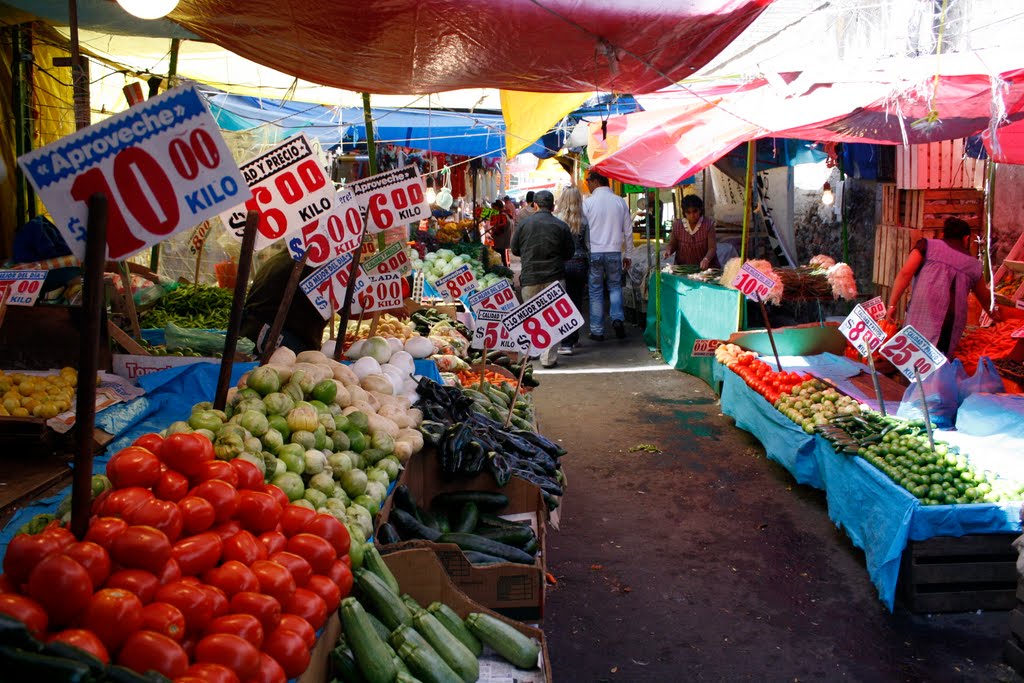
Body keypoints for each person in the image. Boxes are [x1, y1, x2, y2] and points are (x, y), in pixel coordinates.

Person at [886, 216, 1000, 358]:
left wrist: (892, 305)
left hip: (921, 315)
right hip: (950, 324)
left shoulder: (926, 246)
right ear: (966, 238)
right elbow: (985, 298)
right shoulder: (973, 266)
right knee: (939, 364)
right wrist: (998, 319)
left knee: (912, 359)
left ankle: (910, 379)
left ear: (943, 234)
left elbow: (905, 274)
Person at [510, 190, 575, 368]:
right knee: (552, 318)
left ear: (535, 205)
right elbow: (570, 252)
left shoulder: (524, 224)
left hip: (530, 277)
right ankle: (548, 358)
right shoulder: (561, 226)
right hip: (554, 277)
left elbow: (514, 250)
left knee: (530, 318)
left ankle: (530, 353)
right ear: (553, 206)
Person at [240, 248, 326, 354]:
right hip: (277, 336)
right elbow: (347, 310)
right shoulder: (314, 261)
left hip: (255, 330)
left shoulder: (283, 257)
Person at [582, 170, 634, 341]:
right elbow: (628, 231)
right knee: (615, 286)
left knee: (596, 290)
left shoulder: (588, 203)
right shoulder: (620, 202)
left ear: (596, 181)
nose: (587, 184)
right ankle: (617, 319)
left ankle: (597, 330)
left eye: (588, 180)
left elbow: (584, 230)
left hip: (595, 252)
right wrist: (629, 254)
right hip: (614, 252)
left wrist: (588, 249)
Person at [554, 186, 589, 356]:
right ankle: (572, 338)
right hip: (580, 263)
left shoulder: (557, 220)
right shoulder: (583, 220)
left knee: (562, 304)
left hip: (562, 264)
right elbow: (587, 245)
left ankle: (565, 342)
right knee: (576, 302)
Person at [665, 194, 719, 269]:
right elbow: (673, 244)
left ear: (700, 210)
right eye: (688, 212)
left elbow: (712, 248)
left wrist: (706, 259)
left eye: (695, 211)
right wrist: (669, 250)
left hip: (706, 270)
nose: (692, 215)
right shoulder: (677, 225)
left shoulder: (708, 225)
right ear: (684, 213)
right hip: (683, 269)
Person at [487, 199, 513, 268]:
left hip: (501, 242)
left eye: (493, 208)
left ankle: (505, 271)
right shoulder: (506, 214)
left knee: (502, 258)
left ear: (497, 207)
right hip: (504, 241)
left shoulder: (502, 216)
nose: (492, 210)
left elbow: (499, 230)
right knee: (504, 257)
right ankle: (506, 269)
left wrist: (492, 233)